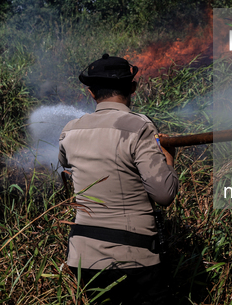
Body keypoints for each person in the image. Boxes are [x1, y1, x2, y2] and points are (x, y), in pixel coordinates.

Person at [58, 53, 179, 305]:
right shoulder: (140, 127)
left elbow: (65, 164)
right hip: (133, 259)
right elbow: (164, 194)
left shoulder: (69, 130)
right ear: (132, 88)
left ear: (91, 93)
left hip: (83, 258)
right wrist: (168, 158)